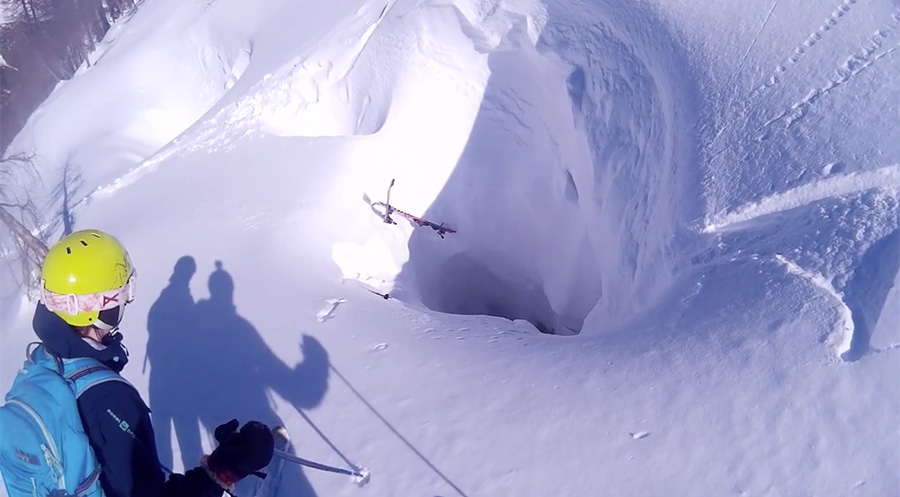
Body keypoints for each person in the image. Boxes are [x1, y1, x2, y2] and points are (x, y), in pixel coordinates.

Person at [1, 229, 274, 497]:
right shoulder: (111, 398)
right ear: (104, 308)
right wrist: (224, 468)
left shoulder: (41, 364)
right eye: (122, 296)